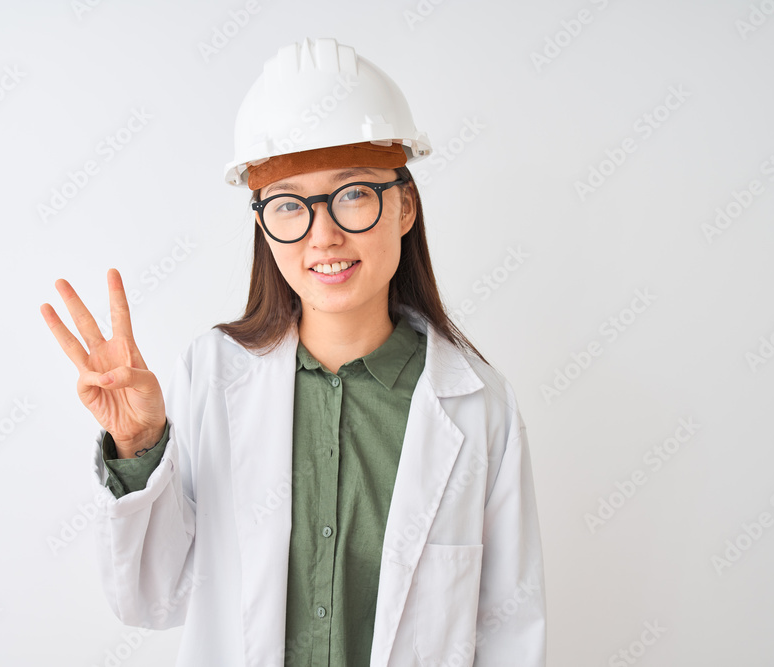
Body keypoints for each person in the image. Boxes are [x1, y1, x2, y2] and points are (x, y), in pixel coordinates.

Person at [40, 37, 546, 667]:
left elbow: (510, 632)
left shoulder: (477, 406)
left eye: (354, 193)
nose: (324, 234)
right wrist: (141, 448)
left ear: (405, 205)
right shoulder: (210, 375)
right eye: (288, 205)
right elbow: (152, 600)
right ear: (263, 224)